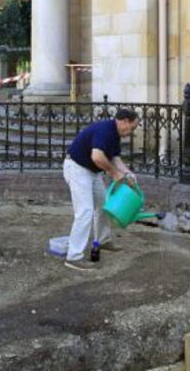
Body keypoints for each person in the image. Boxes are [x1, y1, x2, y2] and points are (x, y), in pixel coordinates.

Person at [63, 108, 139, 272]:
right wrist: (113, 172)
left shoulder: (114, 134)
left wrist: (126, 173)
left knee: (104, 206)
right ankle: (74, 257)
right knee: (85, 211)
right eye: (132, 127)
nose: (131, 132)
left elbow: (114, 158)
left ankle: (103, 240)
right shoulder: (105, 130)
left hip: (92, 172)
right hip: (77, 168)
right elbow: (97, 156)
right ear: (125, 121)